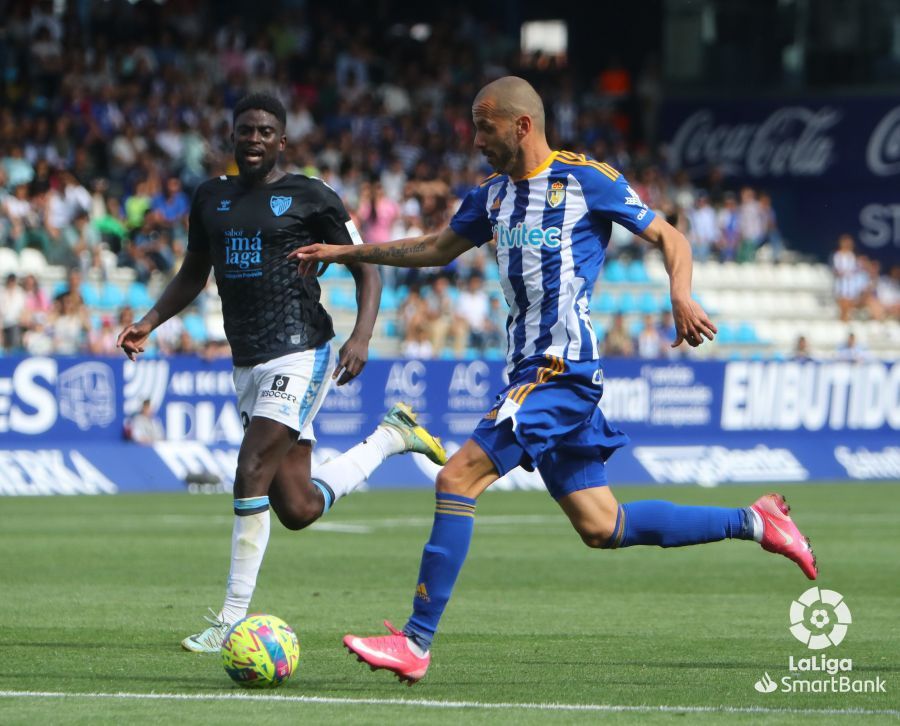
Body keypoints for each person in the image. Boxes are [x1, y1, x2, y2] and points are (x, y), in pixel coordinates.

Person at [290, 76, 817, 685]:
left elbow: (668, 234)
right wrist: (347, 254)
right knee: (603, 526)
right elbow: (434, 249)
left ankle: (416, 641)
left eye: (484, 125)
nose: (475, 137)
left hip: (560, 373)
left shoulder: (585, 180)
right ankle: (756, 521)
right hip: (531, 372)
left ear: (522, 125)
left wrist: (679, 293)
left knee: (457, 477)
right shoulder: (490, 197)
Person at [117, 93, 447, 654]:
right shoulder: (211, 199)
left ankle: (228, 619)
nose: (254, 139)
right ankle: (392, 437)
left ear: (282, 141)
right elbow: (194, 272)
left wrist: (361, 335)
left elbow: (366, 265)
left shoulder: (311, 197)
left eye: (265, 131)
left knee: (250, 467)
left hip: (301, 351)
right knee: (296, 509)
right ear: (231, 136)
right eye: (245, 129)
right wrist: (150, 321)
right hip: (246, 359)